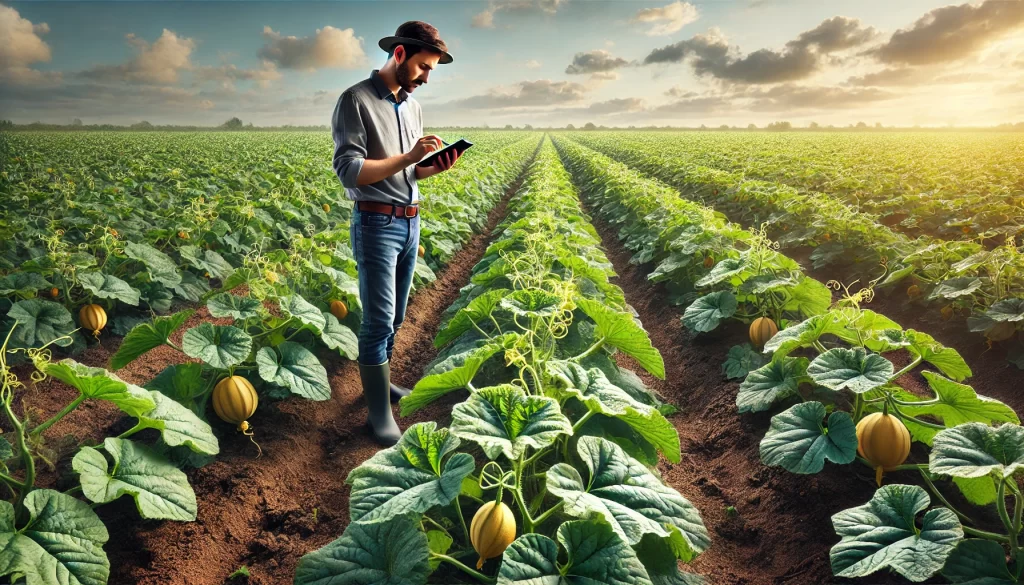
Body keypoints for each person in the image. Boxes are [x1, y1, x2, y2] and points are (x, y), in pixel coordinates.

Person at [331, 21, 461, 446]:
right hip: (376, 223)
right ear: (400, 55)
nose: (426, 77)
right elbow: (349, 170)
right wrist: (408, 155)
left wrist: (428, 166)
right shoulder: (356, 100)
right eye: (423, 67)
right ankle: (378, 414)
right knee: (378, 321)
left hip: (409, 219)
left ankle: (380, 384)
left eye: (432, 71)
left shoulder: (412, 106)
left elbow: (406, 169)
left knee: (398, 317)